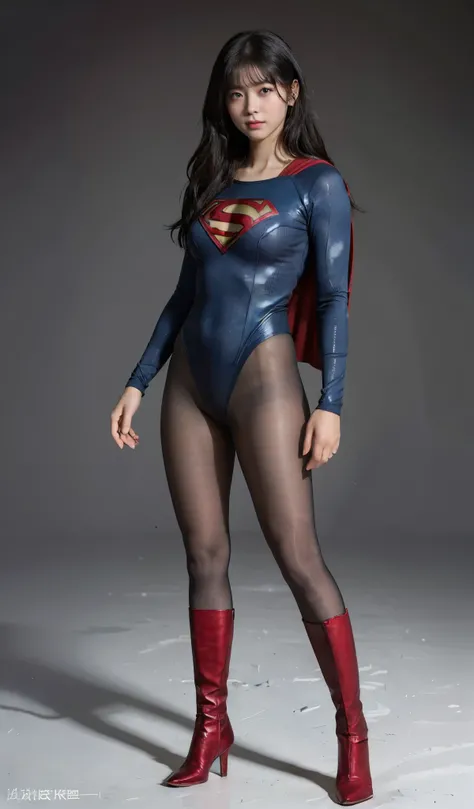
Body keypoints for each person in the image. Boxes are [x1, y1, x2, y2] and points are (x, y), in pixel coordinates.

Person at [110, 29, 373, 806]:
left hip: (265, 380)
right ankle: (210, 728)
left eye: (264, 88)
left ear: (291, 91)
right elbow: (185, 295)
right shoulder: (215, 182)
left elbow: (334, 299)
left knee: (298, 556)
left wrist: (332, 403)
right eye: (235, 92)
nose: (250, 105)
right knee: (204, 555)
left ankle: (353, 734)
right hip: (190, 383)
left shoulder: (316, 184)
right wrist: (138, 379)